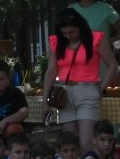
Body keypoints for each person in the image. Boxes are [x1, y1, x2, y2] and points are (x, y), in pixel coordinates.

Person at [43, 8, 109, 148]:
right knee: (71, 144)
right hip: (63, 93)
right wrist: (45, 101)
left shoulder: (95, 38)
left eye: (72, 32)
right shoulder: (56, 42)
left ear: (80, 27)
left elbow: (113, 65)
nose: (68, 36)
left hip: (88, 90)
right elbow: (51, 72)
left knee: (86, 143)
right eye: (64, 33)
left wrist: (102, 88)